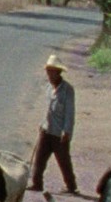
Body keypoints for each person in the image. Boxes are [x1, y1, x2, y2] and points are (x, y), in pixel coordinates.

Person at [29, 53, 77, 194]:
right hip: (46, 130)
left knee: (63, 161)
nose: (49, 74)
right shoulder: (48, 88)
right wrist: (42, 124)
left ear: (58, 72)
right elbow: (47, 109)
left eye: (52, 71)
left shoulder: (68, 90)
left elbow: (70, 112)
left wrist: (66, 131)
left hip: (59, 133)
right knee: (39, 160)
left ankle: (71, 186)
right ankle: (37, 183)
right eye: (48, 71)